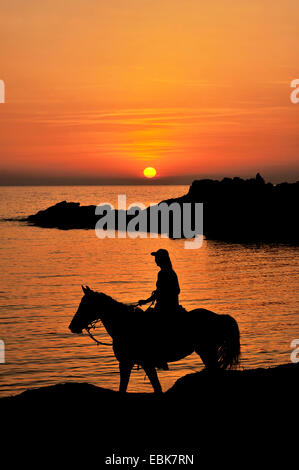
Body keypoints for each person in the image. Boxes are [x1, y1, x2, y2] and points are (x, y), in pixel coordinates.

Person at [138, 249, 180, 313]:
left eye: (157, 257)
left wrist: (145, 301)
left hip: (163, 307)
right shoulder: (172, 272)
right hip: (174, 306)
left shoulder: (162, 273)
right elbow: (177, 291)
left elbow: (159, 293)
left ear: (161, 259)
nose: (155, 259)